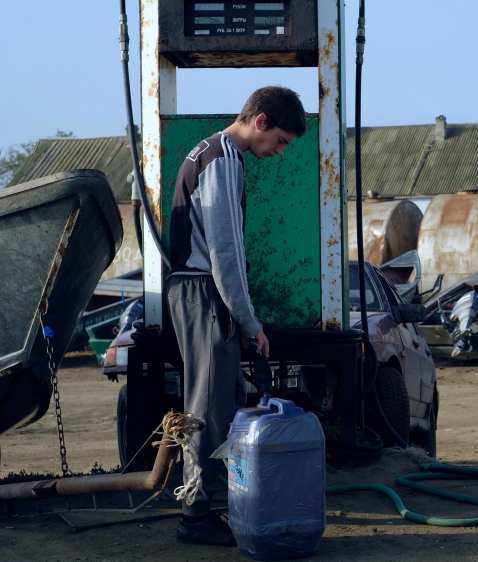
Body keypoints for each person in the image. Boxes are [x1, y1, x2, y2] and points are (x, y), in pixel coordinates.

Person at [167, 86, 307, 545]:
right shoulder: (224, 158)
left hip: (196, 291)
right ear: (261, 121)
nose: (280, 152)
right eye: (282, 141)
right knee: (208, 405)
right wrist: (250, 322)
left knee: (220, 399)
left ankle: (210, 504)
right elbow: (226, 254)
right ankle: (195, 513)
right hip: (204, 291)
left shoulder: (207, 151)